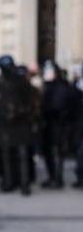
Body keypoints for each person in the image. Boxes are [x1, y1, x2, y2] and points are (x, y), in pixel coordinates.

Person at [0, 55, 38, 195]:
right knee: (7, 155)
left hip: (21, 124)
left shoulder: (21, 82)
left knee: (21, 154)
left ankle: (24, 183)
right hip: (5, 124)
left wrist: (20, 112)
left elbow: (31, 102)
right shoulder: (0, 82)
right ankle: (9, 181)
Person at [39, 60, 75, 188]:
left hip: (57, 126)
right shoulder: (49, 86)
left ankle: (56, 179)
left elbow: (56, 107)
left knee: (56, 153)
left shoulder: (59, 87)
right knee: (51, 153)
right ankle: (53, 177)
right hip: (51, 125)